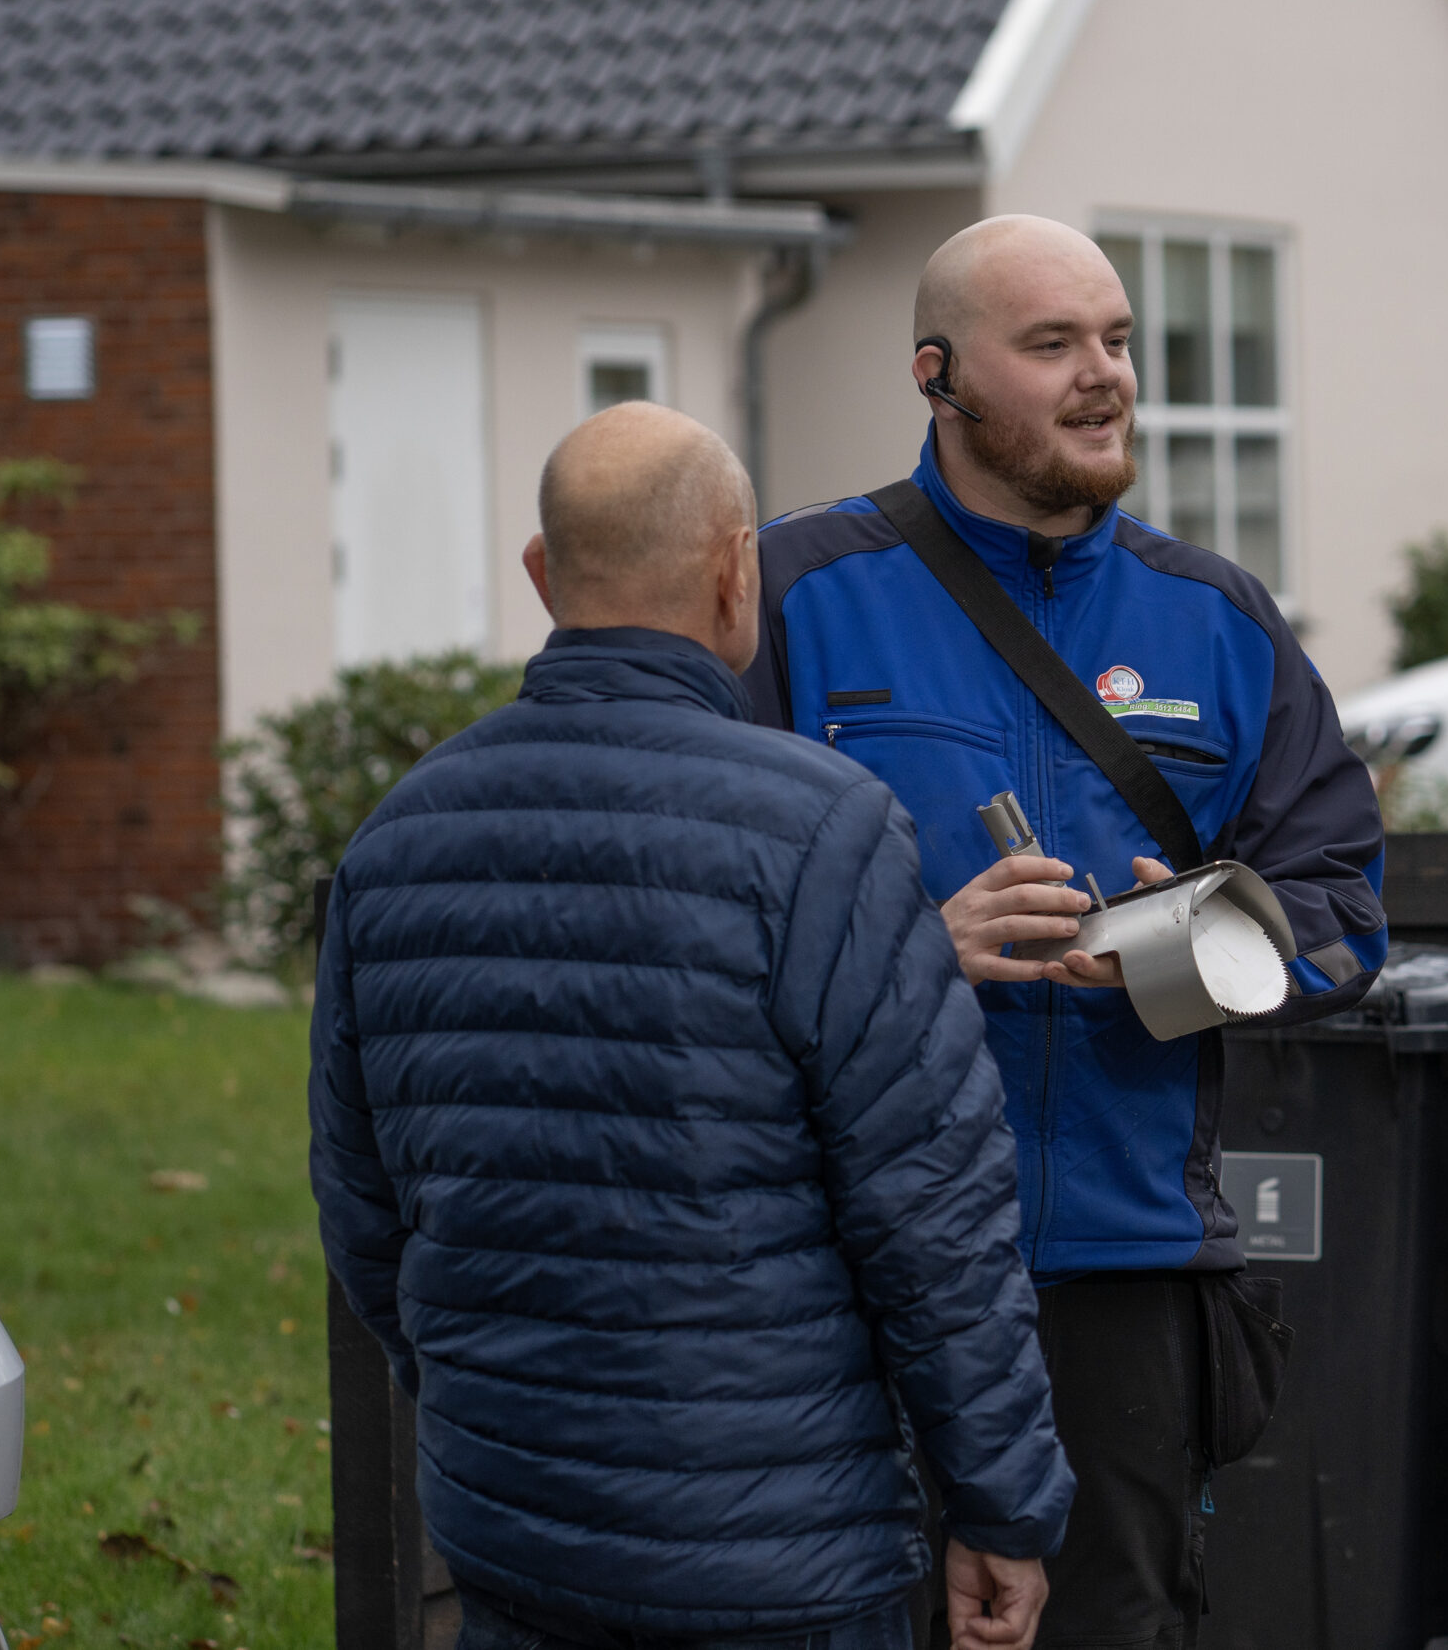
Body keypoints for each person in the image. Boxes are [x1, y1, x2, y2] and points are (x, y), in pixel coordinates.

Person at [311, 403, 1075, 1650]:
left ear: (544, 577)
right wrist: (1001, 1507)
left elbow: (362, 1207)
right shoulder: (824, 829)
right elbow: (932, 1218)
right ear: (738, 574)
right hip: (783, 1556)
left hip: (512, 1529)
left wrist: (486, 1403)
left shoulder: (398, 837)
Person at [747, 215, 1387, 1645]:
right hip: (850, 1273)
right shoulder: (796, 594)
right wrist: (916, 941)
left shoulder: (1218, 619)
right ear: (938, 373)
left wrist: (1177, 946)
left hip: (1124, 1274)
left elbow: (1347, 914)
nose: (1103, 376)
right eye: (1051, 345)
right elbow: (692, 912)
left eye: (1115, 341)